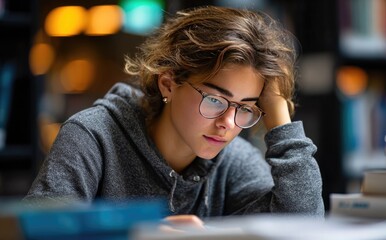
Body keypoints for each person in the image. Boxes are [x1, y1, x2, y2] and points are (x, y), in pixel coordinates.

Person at [24, 5, 325, 223]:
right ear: (168, 83)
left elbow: (304, 223)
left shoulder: (232, 160)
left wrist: (279, 119)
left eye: (245, 108)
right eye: (215, 100)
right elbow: (35, 232)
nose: (228, 124)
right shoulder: (92, 137)